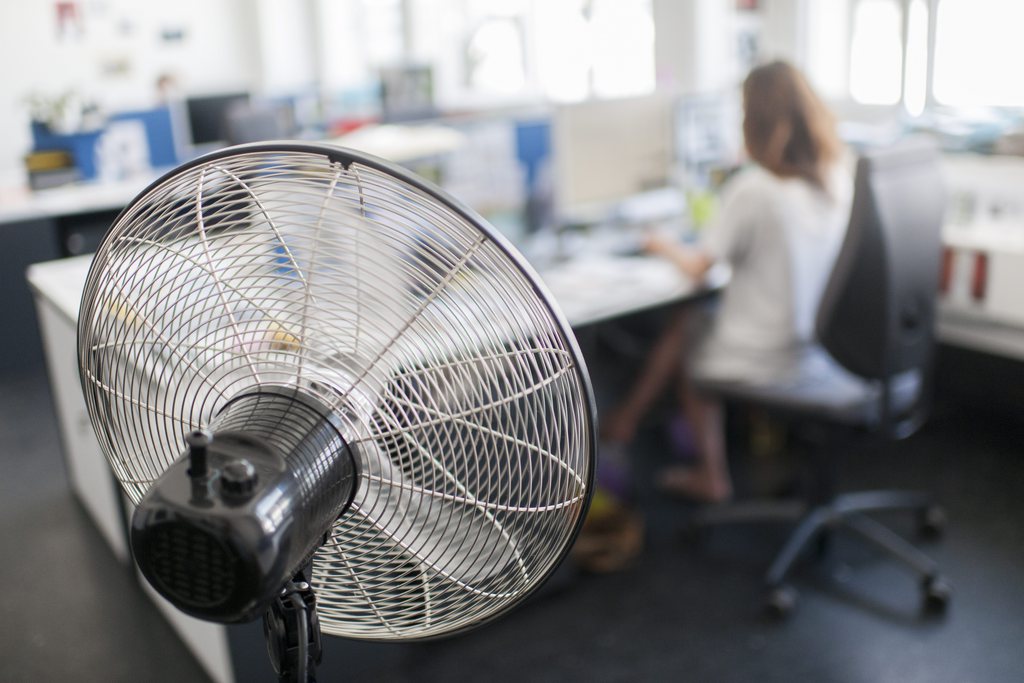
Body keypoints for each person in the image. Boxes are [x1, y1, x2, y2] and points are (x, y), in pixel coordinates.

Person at [604, 60, 853, 502]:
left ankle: (704, 470)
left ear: (753, 121)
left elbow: (700, 268)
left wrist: (661, 245)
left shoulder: (755, 189)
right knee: (696, 318)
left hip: (767, 356)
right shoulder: (835, 178)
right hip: (819, 346)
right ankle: (627, 422)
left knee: (687, 327)